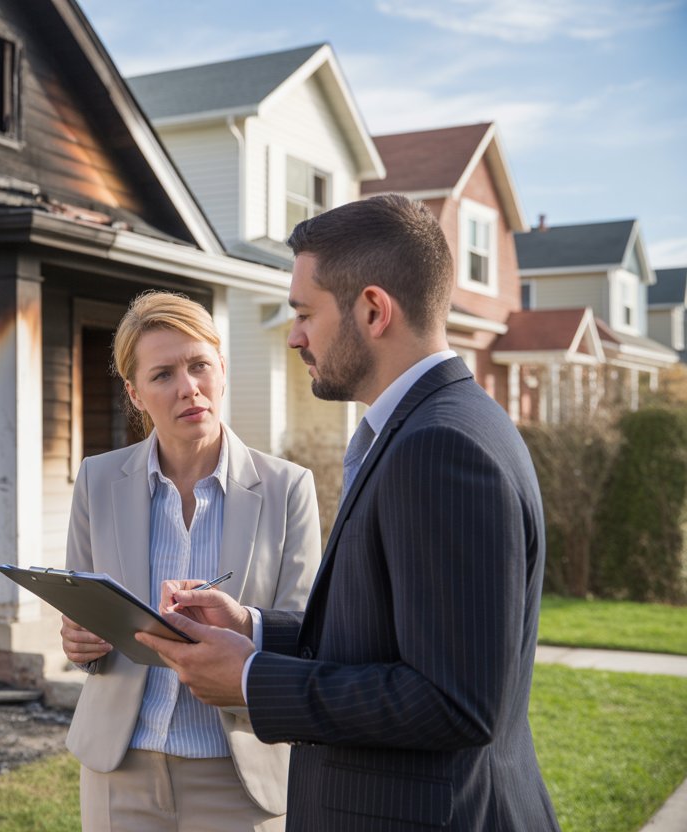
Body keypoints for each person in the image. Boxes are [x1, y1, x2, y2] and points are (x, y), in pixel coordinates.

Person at [139, 194, 561, 831]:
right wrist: (254, 628)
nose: (295, 336)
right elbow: (389, 636)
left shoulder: (440, 447)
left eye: (305, 313)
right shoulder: (435, 426)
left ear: (372, 309)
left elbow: (454, 702)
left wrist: (253, 680)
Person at [61, 291, 322, 831]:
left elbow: (305, 637)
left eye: (200, 364)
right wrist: (79, 644)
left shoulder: (289, 488)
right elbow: (83, 619)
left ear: (222, 369)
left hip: (241, 774)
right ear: (135, 393)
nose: (188, 388)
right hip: (120, 770)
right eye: (162, 375)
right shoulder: (98, 480)